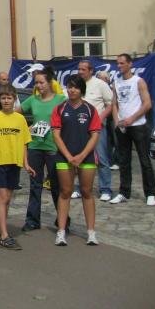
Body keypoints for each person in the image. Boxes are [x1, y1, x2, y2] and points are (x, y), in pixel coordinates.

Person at [51, 75, 102, 246]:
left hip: (86, 157)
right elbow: (56, 135)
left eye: (76, 87)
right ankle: (61, 231)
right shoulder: (59, 109)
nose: (72, 90)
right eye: (70, 87)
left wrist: (81, 156)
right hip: (64, 157)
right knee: (65, 192)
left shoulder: (90, 109)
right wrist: (68, 156)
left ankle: (91, 232)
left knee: (87, 192)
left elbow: (95, 135)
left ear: (82, 90)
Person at [0, 84, 34, 250]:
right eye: (3, 98)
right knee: (2, 198)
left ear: (14, 99)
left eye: (9, 98)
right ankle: (4, 235)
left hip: (15, 162)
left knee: (7, 199)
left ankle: (2, 228)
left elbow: (25, 142)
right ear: (0, 100)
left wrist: (26, 163)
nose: (6, 101)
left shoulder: (20, 119)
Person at [20, 70, 65, 231]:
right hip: (35, 146)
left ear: (50, 83)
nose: (38, 86)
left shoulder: (61, 100)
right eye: (36, 83)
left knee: (56, 185)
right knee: (35, 184)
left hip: (53, 147)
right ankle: (32, 220)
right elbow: (16, 113)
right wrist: (27, 128)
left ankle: (63, 220)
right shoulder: (33, 100)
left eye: (41, 82)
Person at [109, 54, 155, 206]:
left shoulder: (138, 81)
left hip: (138, 126)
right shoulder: (116, 82)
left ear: (130, 64)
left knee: (144, 160)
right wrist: (117, 121)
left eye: (122, 63)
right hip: (122, 127)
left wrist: (132, 118)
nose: (119, 66)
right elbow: (114, 103)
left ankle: (150, 193)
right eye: (118, 63)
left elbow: (147, 104)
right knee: (124, 161)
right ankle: (124, 192)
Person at [77, 60, 114, 201]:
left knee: (102, 158)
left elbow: (110, 104)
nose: (80, 72)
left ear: (91, 70)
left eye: (83, 69)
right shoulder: (76, 84)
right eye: (79, 69)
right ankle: (80, 188)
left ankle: (106, 189)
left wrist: (100, 118)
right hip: (80, 127)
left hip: (97, 128)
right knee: (80, 158)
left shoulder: (100, 84)